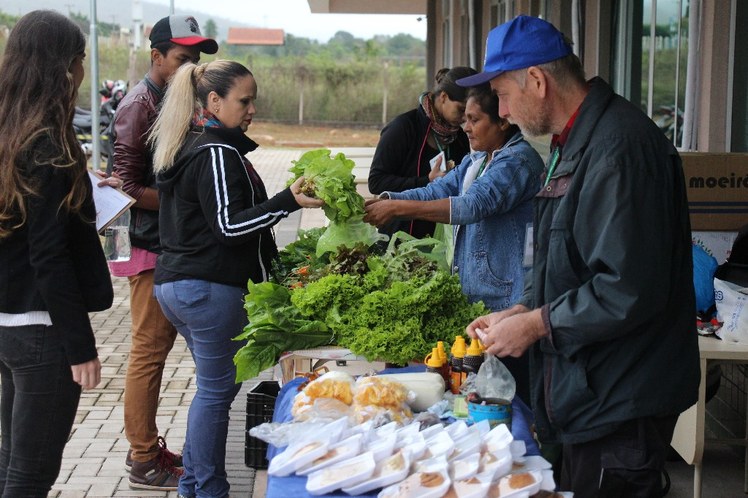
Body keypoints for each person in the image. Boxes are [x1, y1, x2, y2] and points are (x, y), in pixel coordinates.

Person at [460, 15, 700, 497]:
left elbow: (626, 287)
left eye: (503, 94)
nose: (502, 111)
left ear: (537, 80)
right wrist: (525, 307)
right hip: (593, 390)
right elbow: (575, 258)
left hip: (621, 396)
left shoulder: (619, 149)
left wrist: (537, 325)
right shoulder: (577, 140)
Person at [149, 59, 323, 498]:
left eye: (253, 101)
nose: (251, 110)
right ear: (213, 100)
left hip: (179, 287)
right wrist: (288, 201)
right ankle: (208, 489)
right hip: (207, 289)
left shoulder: (191, 146)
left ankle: (193, 483)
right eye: (244, 101)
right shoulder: (216, 154)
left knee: (213, 389)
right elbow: (228, 228)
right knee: (215, 393)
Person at [363, 84, 543, 401]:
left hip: (507, 299)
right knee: (482, 392)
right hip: (480, 296)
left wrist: (397, 209)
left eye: (474, 120)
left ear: (502, 121)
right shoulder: (478, 159)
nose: (466, 128)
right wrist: (386, 200)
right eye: (465, 119)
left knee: (511, 396)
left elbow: (471, 206)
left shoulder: (517, 162)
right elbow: (438, 190)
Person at [0, 10, 114, 496]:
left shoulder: (11, 134)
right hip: (41, 335)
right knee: (31, 474)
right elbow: (50, 257)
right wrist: (81, 346)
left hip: (6, 328)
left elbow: (24, 215)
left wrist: (82, 187)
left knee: (10, 462)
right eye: (81, 59)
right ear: (64, 67)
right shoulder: (49, 144)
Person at [109, 14, 218, 490]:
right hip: (150, 244)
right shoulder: (139, 106)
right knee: (149, 352)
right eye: (182, 58)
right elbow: (128, 186)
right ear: (156, 56)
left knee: (156, 349)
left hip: (167, 241)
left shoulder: (174, 97)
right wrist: (186, 198)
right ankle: (142, 459)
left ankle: (149, 446)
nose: (191, 67)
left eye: (196, 60)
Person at [367, 66, 476, 238]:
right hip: (398, 238)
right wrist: (426, 181)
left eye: (471, 114)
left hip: (440, 240)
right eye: (461, 110)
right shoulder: (403, 128)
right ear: (444, 97)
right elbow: (376, 182)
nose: (465, 119)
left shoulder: (460, 137)